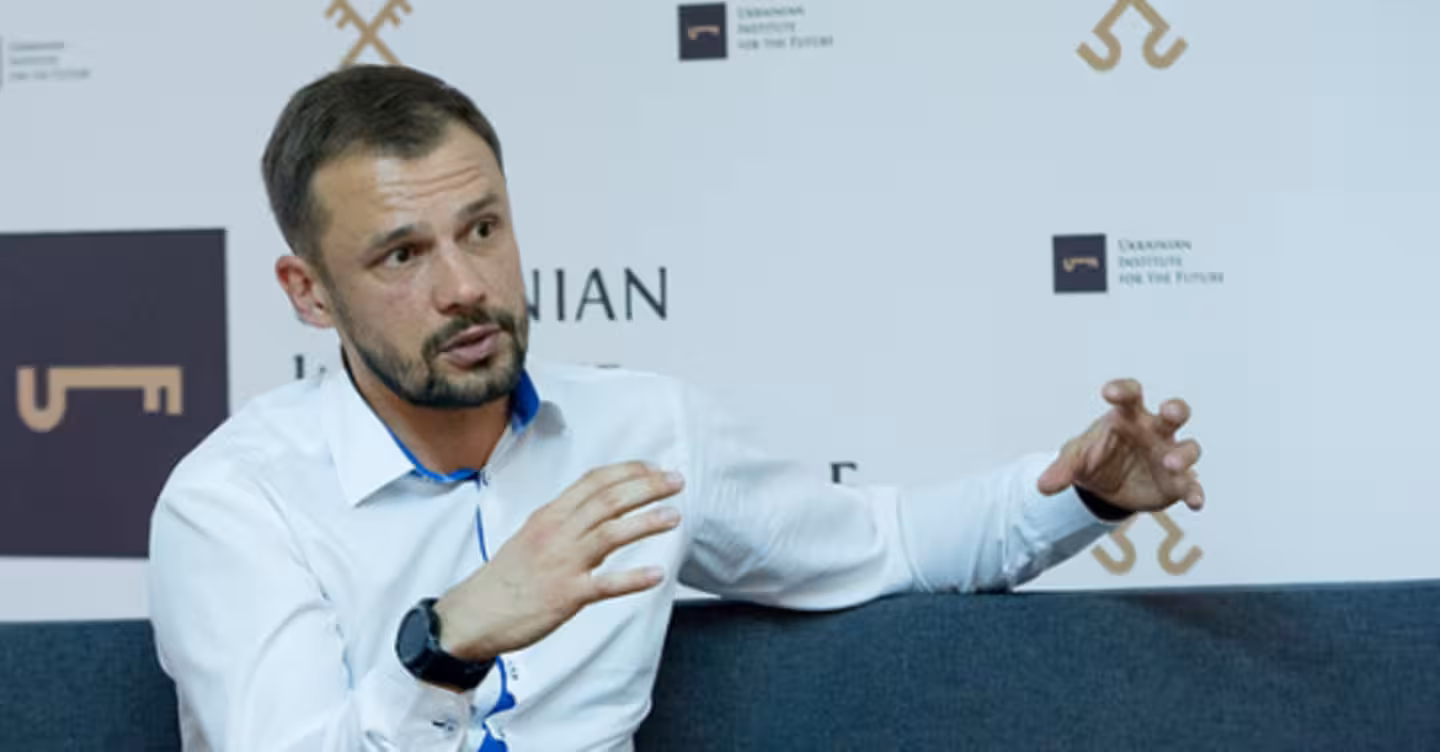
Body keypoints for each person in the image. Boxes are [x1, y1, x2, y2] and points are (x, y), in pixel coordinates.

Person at [147, 64, 1206, 752]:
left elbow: (883, 542)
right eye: (402, 255)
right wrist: (450, 639)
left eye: (482, 230)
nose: (465, 286)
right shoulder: (235, 502)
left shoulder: (645, 432)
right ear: (309, 292)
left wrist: (1084, 496)